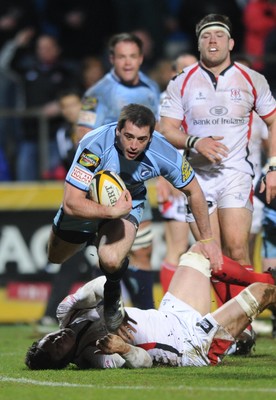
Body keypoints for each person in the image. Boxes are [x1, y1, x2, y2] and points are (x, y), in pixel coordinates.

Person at [47, 103, 221, 333]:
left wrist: (207, 241)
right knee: (55, 257)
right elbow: (71, 203)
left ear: (150, 137)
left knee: (110, 259)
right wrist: (110, 212)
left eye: (141, 139)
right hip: (87, 203)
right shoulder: (94, 144)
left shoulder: (162, 151)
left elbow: (195, 191)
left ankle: (111, 295)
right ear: (118, 130)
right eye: (129, 136)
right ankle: (93, 238)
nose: (133, 145)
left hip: (130, 204)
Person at [159, 13, 276, 352]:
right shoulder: (181, 81)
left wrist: (273, 166)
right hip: (196, 179)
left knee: (237, 249)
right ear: (198, 43)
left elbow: (273, 119)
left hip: (235, 174)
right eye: (206, 35)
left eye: (219, 36)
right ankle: (235, 325)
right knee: (211, 256)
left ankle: (244, 326)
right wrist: (195, 142)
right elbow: (166, 128)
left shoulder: (252, 78)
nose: (213, 41)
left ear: (231, 43)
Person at [25, 244, 276, 369]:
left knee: (200, 252)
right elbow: (144, 362)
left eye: (51, 338)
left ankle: (267, 285)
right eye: (58, 348)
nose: (59, 338)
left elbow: (101, 283)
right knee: (261, 293)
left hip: (173, 314)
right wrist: (123, 348)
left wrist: (116, 312)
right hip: (191, 343)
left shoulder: (66, 313)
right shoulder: (95, 355)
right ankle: (239, 336)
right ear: (66, 360)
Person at [76, 32, 161, 310]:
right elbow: (81, 135)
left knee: (144, 250)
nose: (127, 62)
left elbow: (157, 137)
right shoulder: (97, 93)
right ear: (112, 59)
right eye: (121, 56)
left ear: (141, 58)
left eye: (132, 56)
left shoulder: (150, 89)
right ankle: (107, 314)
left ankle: (146, 317)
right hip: (106, 185)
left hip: (137, 182)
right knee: (111, 252)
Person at [157, 53, 198, 293]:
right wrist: (164, 175)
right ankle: (169, 313)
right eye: (183, 68)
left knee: (211, 248)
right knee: (177, 246)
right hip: (178, 181)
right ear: (174, 73)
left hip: (206, 179)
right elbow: (157, 138)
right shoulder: (167, 99)